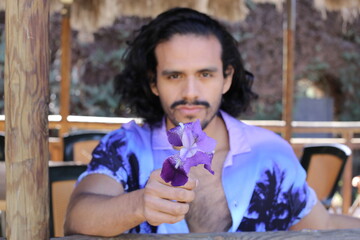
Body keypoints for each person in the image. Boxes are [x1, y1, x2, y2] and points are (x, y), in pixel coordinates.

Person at [64, 7, 360, 237]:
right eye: (174, 76)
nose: (190, 92)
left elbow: (322, 226)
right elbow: (77, 217)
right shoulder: (125, 147)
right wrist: (139, 204)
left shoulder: (270, 155)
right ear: (153, 83)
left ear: (227, 78)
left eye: (205, 74)